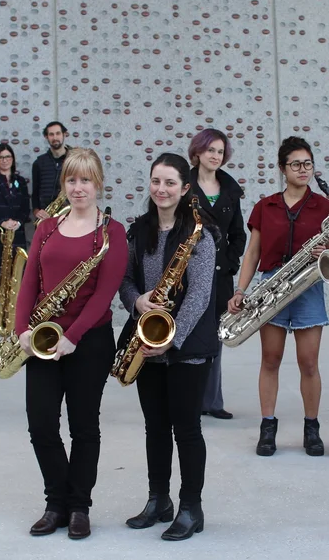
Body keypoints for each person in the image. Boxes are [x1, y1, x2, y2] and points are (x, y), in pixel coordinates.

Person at [14, 147, 128, 540]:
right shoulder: (47, 227)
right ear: (64, 184)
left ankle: (79, 506)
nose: (78, 188)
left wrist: (73, 336)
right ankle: (56, 501)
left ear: (98, 183)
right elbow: (29, 282)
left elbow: (105, 293)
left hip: (90, 341)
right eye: (71, 180)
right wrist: (22, 331)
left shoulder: (112, 232)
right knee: (41, 425)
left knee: (84, 427)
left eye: (86, 180)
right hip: (43, 337)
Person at [120, 153, 218, 541]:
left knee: (187, 429)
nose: (162, 189)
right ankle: (157, 500)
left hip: (187, 347)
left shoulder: (200, 234)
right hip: (146, 341)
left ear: (185, 189)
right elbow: (125, 280)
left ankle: (191, 508)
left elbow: (200, 295)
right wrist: (137, 302)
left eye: (170, 183)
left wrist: (172, 340)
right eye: (156, 181)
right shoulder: (138, 230)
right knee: (155, 427)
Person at [227, 136, 329, 457]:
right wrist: (240, 290)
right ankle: (267, 427)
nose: (303, 170)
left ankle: (312, 428)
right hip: (271, 284)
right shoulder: (265, 206)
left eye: (308, 164)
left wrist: (322, 251)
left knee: (309, 363)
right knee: (270, 359)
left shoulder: (325, 206)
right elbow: (253, 253)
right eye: (296, 164)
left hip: (308, 283)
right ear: (282, 169)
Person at [188, 128, 246, 421]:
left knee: (215, 338)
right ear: (197, 152)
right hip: (188, 274)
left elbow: (239, 233)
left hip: (220, 275)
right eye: (210, 150)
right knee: (189, 336)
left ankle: (212, 401)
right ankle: (190, 400)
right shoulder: (183, 186)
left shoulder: (231, 190)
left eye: (220, 152)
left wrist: (231, 262)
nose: (215, 156)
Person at [0, 143, 31, 311]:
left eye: (8, 157)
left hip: (17, 234)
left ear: (13, 159)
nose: (5, 160)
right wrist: (3, 222)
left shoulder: (21, 181)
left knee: (17, 275)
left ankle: (15, 316)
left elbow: (25, 208)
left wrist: (18, 223)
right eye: (1, 157)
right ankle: (0, 318)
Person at [31, 121, 70, 220]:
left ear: (64, 134)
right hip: (46, 217)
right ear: (46, 137)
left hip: (70, 216)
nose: (55, 137)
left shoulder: (74, 159)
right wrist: (36, 211)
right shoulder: (39, 163)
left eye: (58, 133)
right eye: (51, 134)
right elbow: (35, 193)